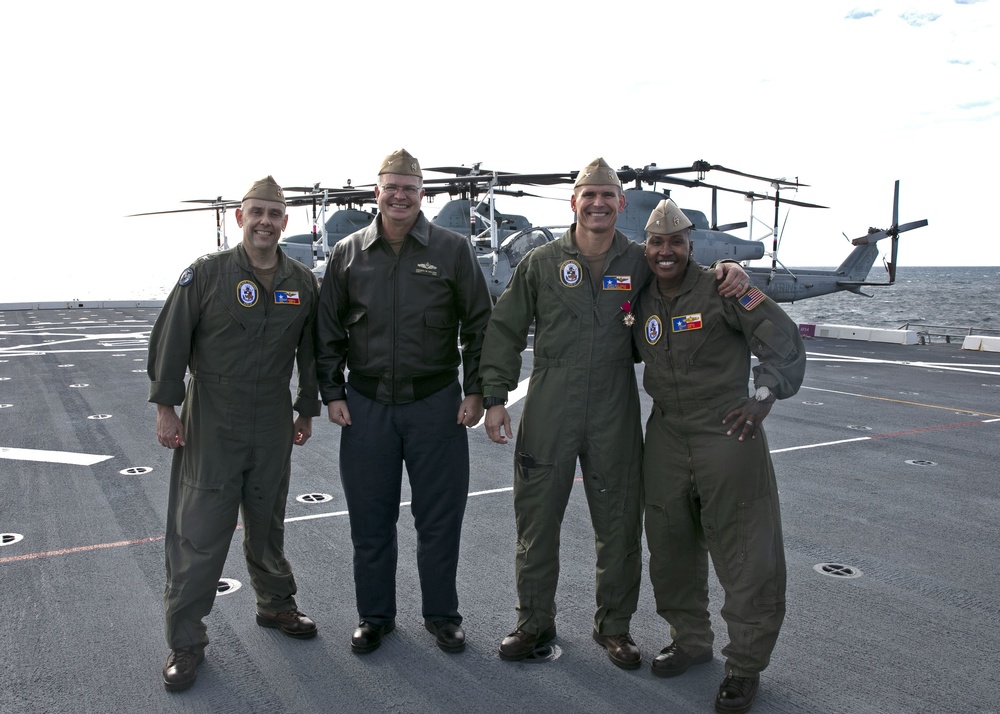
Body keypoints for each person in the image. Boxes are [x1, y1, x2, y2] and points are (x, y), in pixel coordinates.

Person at [480, 158, 750, 669]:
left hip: (614, 403)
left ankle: (615, 628)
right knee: (537, 521)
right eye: (590, 195)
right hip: (550, 401)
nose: (599, 203)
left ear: (621, 204)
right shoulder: (540, 262)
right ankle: (534, 621)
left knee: (620, 524)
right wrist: (495, 397)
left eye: (608, 196)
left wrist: (730, 271)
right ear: (574, 202)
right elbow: (505, 330)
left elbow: (687, 276)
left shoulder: (640, 261)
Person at [631, 199, 805, 713]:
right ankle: (690, 640)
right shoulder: (639, 295)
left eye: (677, 243)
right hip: (664, 432)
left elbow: (783, 344)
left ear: (691, 245)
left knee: (746, 552)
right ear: (647, 248)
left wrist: (764, 397)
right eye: (657, 243)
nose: (666, 252)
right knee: (668, 544)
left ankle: (744, 667)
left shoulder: (725, 287)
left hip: (726, 432)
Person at [315, 149, 492, 655]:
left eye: (409, 189)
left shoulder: (453, 249)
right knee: (370, 520)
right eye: (391, 187)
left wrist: (477, 389)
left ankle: (442, 615)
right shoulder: (349, 252)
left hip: (435, 403)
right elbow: (327, 328)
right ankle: (375, 617)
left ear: (421, 195)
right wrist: (332, 392)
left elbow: (479, 323)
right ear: (377, 191)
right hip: (367, 405)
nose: (399, 196)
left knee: (439, 518)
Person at [148, 176, 321, 692]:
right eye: (257, 212)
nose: (265, 221)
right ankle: (185, 642)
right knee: (199, 529)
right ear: (240, 217)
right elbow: (171, 340)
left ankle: (275, 606)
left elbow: (310, 353)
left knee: (267, 518)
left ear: (285, 221)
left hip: (271, 414)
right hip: (212, 414)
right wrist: (166, 408)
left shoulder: (302, 282)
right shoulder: (206, 274)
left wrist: (305, 408)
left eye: (274, 213)